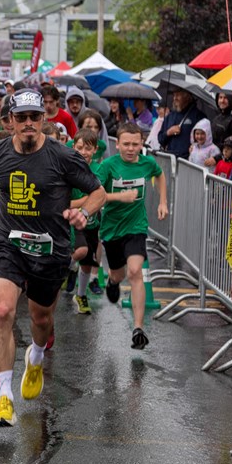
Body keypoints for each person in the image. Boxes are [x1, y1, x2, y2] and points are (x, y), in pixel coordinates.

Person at [0, 89, 105, 427]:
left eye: (34, 117)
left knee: (41, 318)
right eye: (21, 117)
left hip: (50, 248)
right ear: (10, 120)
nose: (28, 123)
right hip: (7, 243)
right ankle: (4, 397)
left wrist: (84, 214)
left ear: (43, 118)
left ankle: (36, 357)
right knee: (2, 310)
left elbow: (97, 192)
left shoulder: (63, 156)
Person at [95, 123, 169, 348]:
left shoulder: (147, 163)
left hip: (136, 226)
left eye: (135, 144)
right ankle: (112, 281)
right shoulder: (108, 166)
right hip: (112, 229)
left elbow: (160, 175)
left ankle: (138, 328)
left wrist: (163, 202)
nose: (130, 148)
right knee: (118, 274)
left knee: (135, 272)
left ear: (141, 144)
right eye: (126, 144)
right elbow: (95, 195)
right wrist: (120, 197)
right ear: (117, 144)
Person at [65, 134, 104, 315]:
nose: (83, 152)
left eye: (88, 148)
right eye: (79, 148)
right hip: (73, 220)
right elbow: (65, 201)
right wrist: (83, 201)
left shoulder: (98, 169)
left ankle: (80, 295)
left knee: (87, 263)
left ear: (95, 150)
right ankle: (65, 267)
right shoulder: (68, 168)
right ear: (73, 147)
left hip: (92, 222)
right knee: (81, 251)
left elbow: (99, 196)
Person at [157, 89, 199, 158]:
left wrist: (195, 145)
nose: (175, 98)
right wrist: (168, 132)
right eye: (174, 95)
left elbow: (203, 140)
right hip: (170, 157)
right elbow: (160, 139)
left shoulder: (197, 116)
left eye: (178, 95)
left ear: (187, 97)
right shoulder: (170, 116)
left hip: (187, 160)